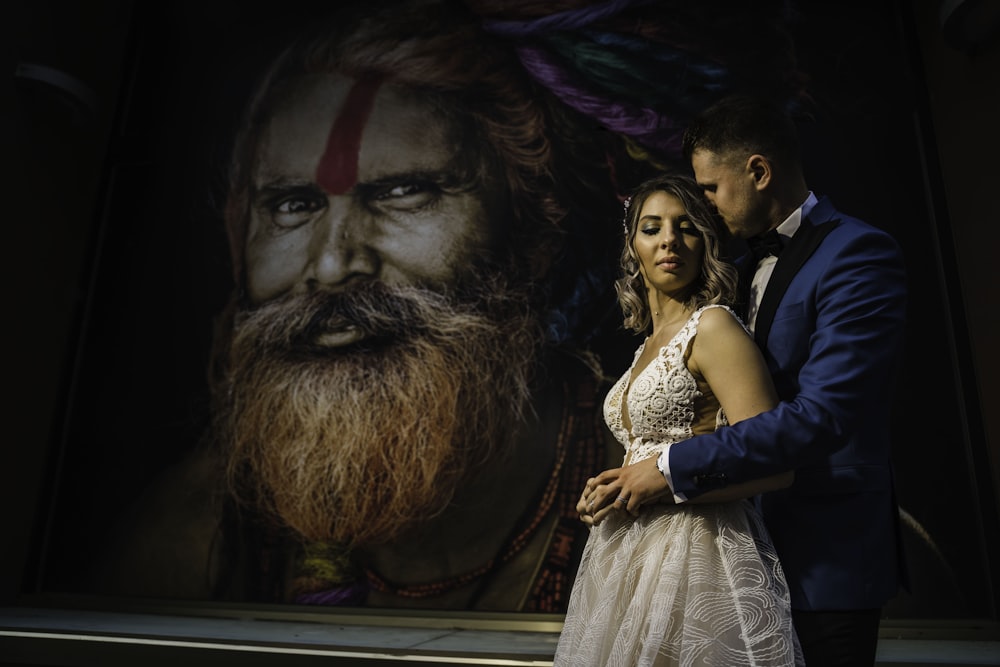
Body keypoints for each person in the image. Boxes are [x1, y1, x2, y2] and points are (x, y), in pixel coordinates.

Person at [91, 1, 805, 612]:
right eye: (292, 203)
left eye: (403, 192)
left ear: (532, 232)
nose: (335, 262)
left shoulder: (660, 464)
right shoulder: (191, 532)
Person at [585, 95, 908, 666]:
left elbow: (824, 416)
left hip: (822, 548)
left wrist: (667, 470)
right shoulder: (729, 276)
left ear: (758, 171)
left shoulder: (855, 254)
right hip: (722, 546)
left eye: (709, 188)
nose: (703, 207)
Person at [554, 173, 802, 666]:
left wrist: (660, 483)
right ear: (633, 247)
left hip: (695, 550)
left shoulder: (713, 326)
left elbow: (776, 465)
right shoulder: (645, 344)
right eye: (652, 227)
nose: (669, 239)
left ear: (705, 242)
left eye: (686, 226)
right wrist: (609, 490)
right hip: (625, 556)